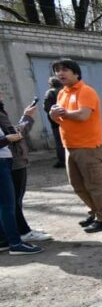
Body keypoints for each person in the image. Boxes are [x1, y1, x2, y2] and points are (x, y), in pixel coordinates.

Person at [49, 58, 102, 233]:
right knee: (77, 185)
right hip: (69, 145)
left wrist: (64, 113)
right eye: (57, 70)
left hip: (88, 146)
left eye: (64, 70)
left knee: (94, 184)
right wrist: (53, 114)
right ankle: (94, 212)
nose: (60, 73)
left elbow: (83, 115)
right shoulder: (62, 93)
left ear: (76, 73)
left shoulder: (86, 91)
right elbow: (58, 118)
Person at [1, 95, 43, 255]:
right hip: (9, 161)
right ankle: (16, 240)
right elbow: (15, 134)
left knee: (9, 203)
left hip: (8, 159)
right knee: (9, 204)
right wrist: (27, 118)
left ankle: (8, 239)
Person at [42, 76, 65, 168]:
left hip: (55, 121)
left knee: (59, 141)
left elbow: (46, 107)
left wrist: (54, 114)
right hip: (67, 119)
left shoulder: (50, 92)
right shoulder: (64, 91)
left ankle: (62, 161)